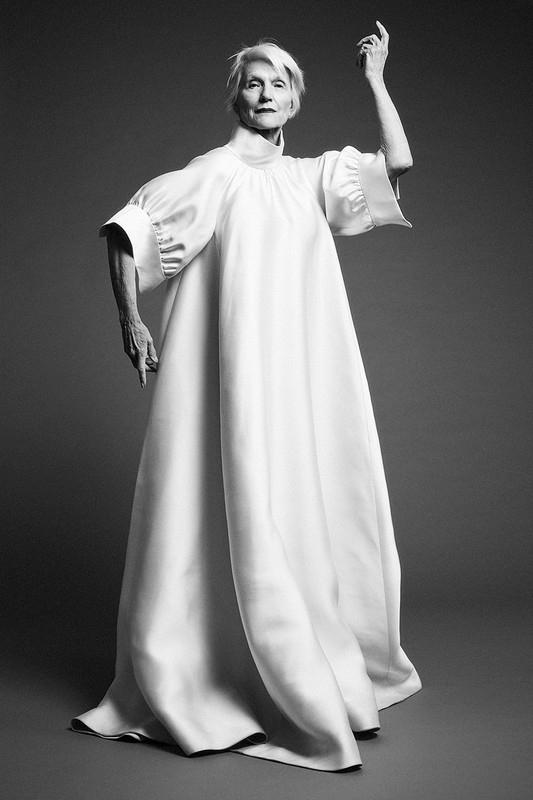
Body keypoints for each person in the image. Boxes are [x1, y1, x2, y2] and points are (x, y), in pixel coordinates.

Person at [72, 23, 421, 772]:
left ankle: (302, 658)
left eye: (279, 83)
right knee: (229, 495)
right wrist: (131, 320)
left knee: (300, 496)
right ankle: (223, 668)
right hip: (230, 376)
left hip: (299, 375)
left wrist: (375, 80)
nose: (265, 93)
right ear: (236, 97)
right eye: (253, 82)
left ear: (295, 101)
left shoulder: (311, 177)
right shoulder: (212, 174)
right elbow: (127, 232)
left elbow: (397, 162)